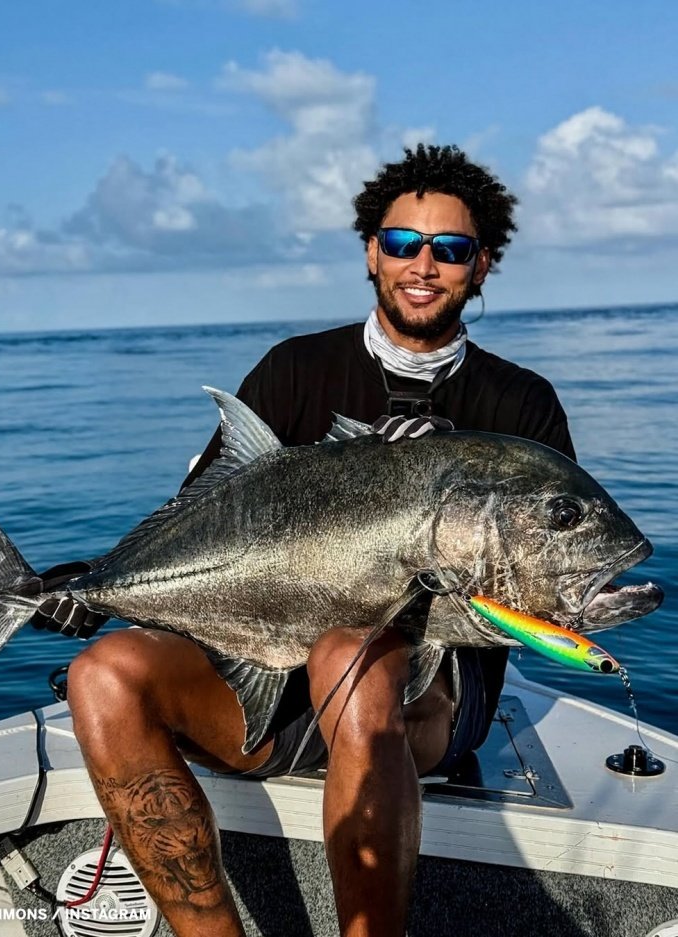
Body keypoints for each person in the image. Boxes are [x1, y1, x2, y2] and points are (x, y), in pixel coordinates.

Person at [39, 144, 575, 937]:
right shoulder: (294, 371)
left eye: (451, 249)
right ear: (371, 250)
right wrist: (101, 579)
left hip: (423, 701)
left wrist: (441, 496)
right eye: (403, 243)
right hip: (268, 678)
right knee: (104, 675)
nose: (424, 264)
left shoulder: (521, 407)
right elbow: (200, 522)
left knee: (346, 654)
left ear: (483, 264)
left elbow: (549, 593)